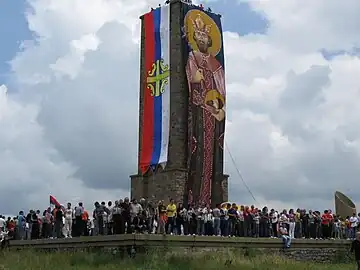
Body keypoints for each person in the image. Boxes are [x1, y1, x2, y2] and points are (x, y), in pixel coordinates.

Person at [184, 10, 226, 205]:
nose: (201, 37)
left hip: (212, 113)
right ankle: (196, 198)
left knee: (210, 155)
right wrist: (197, 80)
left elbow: (221, 88)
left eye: (204, 35)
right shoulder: (192, 56)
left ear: (210, 40)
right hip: (198, 112)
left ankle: (208, 197)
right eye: (198, 35)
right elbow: (192, 79)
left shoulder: (216, 63)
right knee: (198, 152)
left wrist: (218, 107)